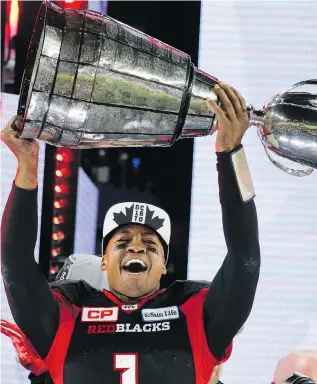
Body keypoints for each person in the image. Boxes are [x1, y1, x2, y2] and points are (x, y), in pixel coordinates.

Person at [1, 82, 260, 384]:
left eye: (150, 244)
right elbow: (15, 264)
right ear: (103, 260)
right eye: (122, 241)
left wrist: (230, 152)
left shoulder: (197, 314)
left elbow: (245, 259)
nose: (136, 247)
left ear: (164, 263)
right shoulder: (66, 315)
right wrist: (27, 166)